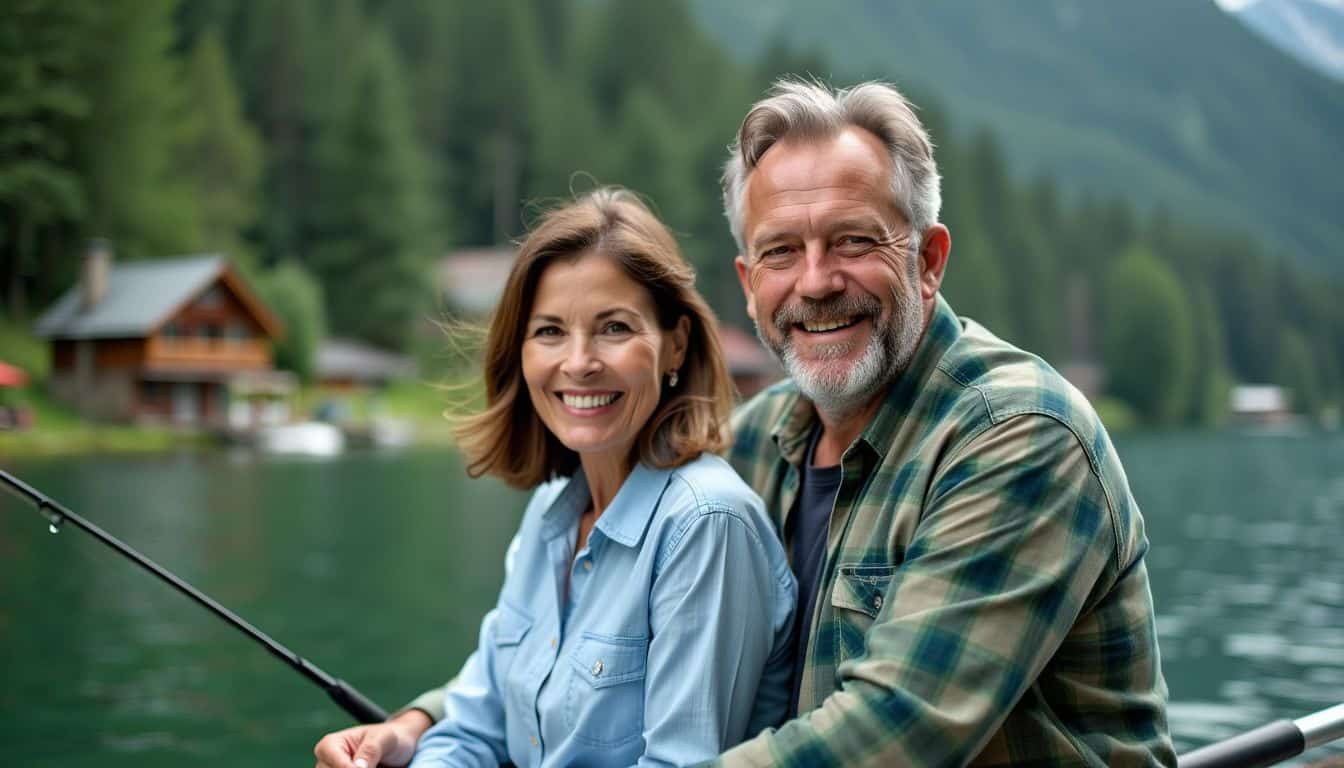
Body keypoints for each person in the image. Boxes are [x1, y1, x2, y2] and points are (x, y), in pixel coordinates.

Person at [316, 79, 1175, 767]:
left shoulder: (1017, 438)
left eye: (852, 241)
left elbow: (893, 734)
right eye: (780, 252)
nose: (814, 281)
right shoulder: (764, 435)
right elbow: (584, 623)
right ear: (746, 279)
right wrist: (425, 724)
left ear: (929, 260)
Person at [317, 188, 796, 768]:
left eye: (615, 328)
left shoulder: (706, 525)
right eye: (549, 331)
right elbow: (477, 727)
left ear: (675, 346)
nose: (578, 362)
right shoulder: (551, 511)